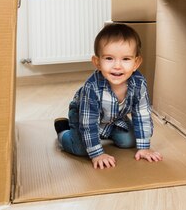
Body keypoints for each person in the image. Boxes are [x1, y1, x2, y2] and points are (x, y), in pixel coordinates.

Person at [53, 23, 163, 169]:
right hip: (83, 117)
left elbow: (142, 113)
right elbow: (88, 124)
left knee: (129, 142)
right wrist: (97, 154)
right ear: (97, 62)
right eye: (109, 58)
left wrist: (144, 147)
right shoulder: (91, 88)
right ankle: (63, 131)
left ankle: (106, 132)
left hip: (114, 117)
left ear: (136, 63)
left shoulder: (139, 83)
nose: (117, 66)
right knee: (81, 149)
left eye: (126, 59)